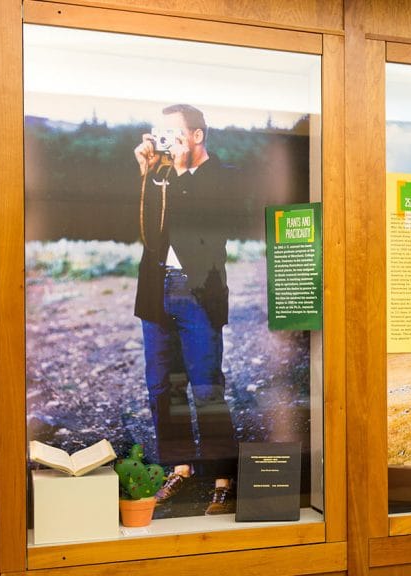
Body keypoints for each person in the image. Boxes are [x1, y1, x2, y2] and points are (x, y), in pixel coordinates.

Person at [133, 103, 239, 515]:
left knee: (206, 384)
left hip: (198, 293)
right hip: (156, 289)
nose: (169, 142)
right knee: (162, 384)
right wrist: (147, 174)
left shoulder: (223, 177)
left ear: (196, 136)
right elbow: (146, 231)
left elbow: (208, 229)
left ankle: (221, 475)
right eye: (164, 134)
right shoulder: (160, 177)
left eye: (176, 134)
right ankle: (180, 466)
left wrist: (177, 173)